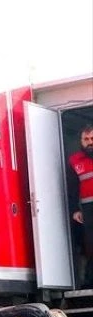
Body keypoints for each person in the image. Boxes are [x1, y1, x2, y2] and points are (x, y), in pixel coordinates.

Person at [67, 123, 93, 289]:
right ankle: (89, 281)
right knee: (90, 244)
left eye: (92, 139)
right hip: (87, 208)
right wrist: (74, 209)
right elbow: (72, 187)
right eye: (86, 139)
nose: (90, 142)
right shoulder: (74, 160)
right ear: (81, 141)